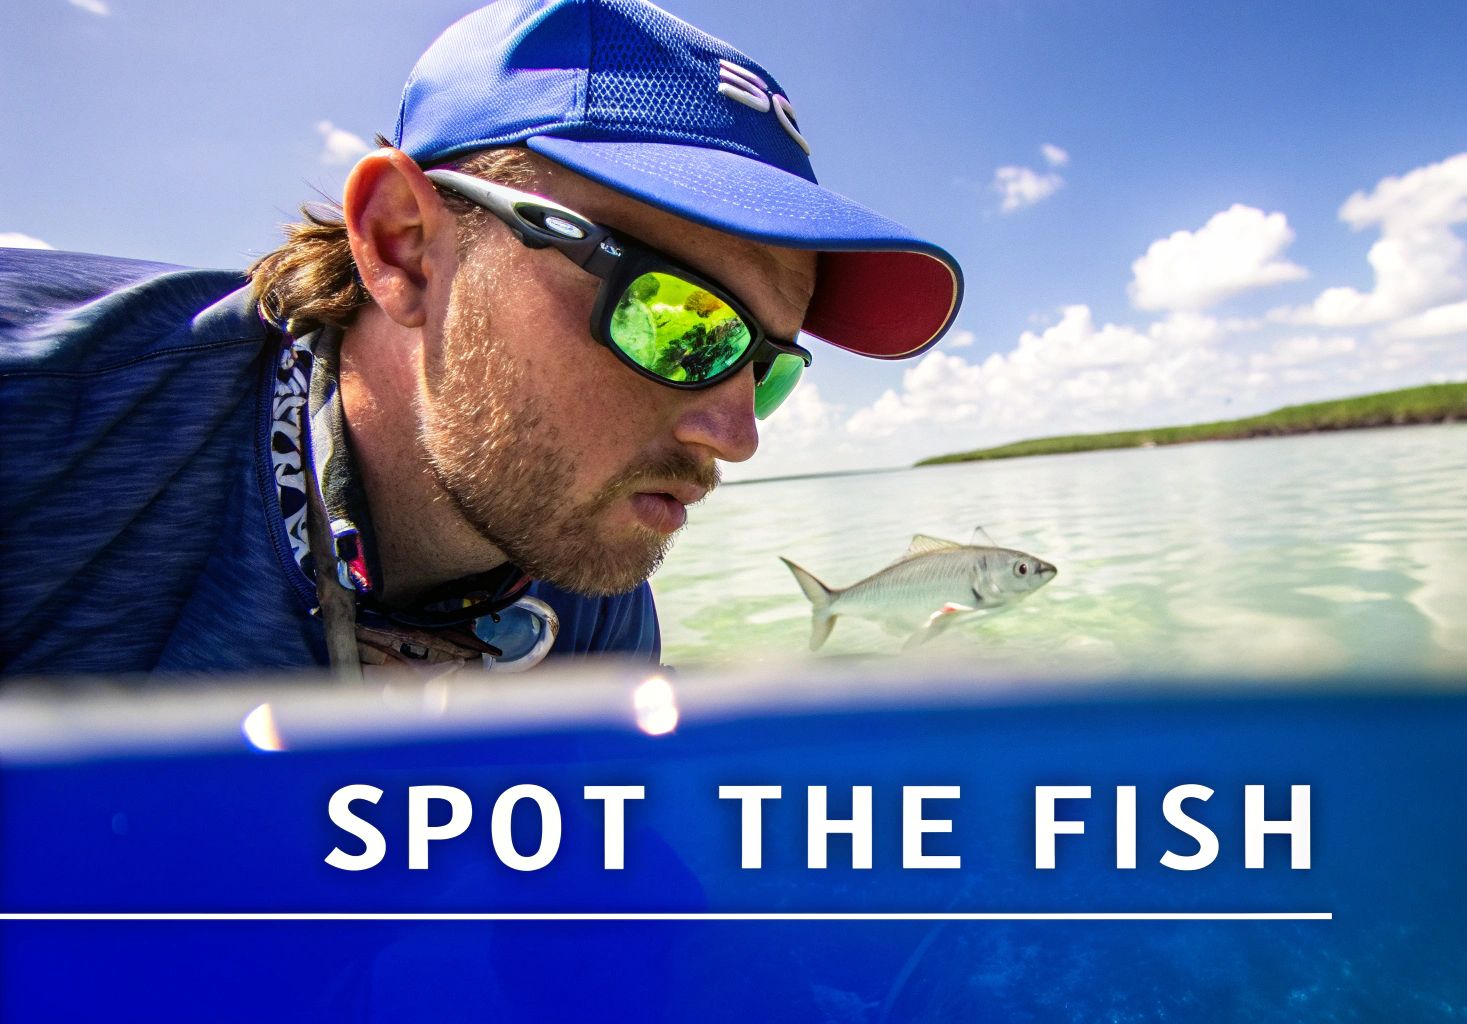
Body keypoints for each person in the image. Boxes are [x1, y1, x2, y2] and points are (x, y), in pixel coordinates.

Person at [0, 0, 962, 678]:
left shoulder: (587, 574)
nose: (738, 431)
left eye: (765, 365)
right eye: (678, 320)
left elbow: (596, 925)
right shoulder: (43, 424)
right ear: (406, 248)